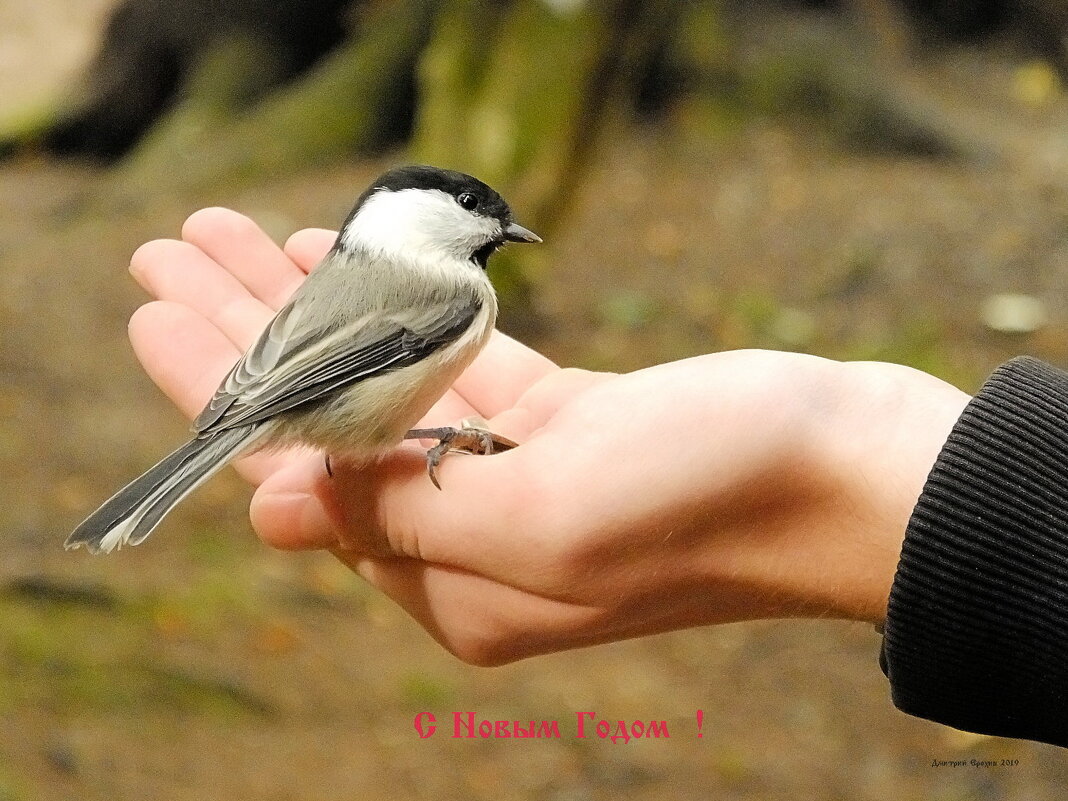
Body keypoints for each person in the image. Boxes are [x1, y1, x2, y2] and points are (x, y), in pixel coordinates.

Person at [123, 207, 1068, 749]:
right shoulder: (448, 293)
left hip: (276, 385)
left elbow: (304, 368)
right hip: (309, 398)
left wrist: (852, 463)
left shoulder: (397, 280)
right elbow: (344, 382)